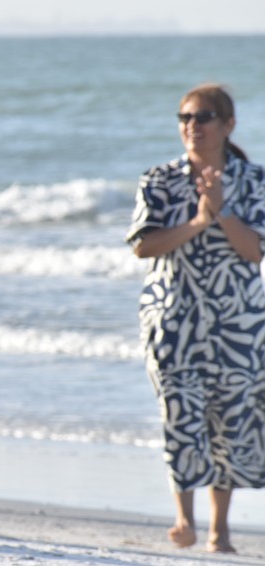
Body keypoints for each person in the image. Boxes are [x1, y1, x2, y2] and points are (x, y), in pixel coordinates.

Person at [126, 83, 265, 554]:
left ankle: (219, 529)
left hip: (237, 323)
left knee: (229, 419)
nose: (193, 126)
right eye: (185, 117)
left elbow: (254, 253)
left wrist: (221, 210)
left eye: (204, 117)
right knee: (180, 416)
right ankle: (184, 520)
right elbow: (144, 246)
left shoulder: (254, 180)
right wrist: (198, 222)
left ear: (228, 125)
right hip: (172, 319)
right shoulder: (159, 180)